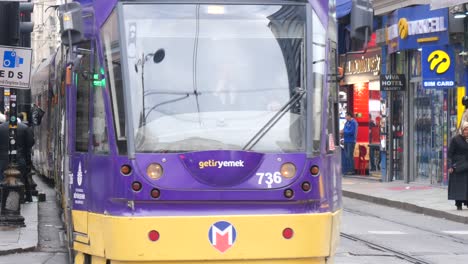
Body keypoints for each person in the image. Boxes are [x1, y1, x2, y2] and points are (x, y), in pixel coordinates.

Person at [0, 112, 35, 201]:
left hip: (3, 161)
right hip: (20, 160)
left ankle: (4, 199)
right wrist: (28, 162)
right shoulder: (24, 128)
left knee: (3, 181)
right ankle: (20, 199)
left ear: (7, 117)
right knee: (20, 180)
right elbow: (29, 144)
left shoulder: (1, 128)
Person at [447, 121, 468, 210]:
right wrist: (450, 166)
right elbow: (450, 154)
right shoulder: (455, 139)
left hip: (467, 166)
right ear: (462, 130)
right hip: (458, 166)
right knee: (459, 186)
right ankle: (458, 204)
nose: (467, 131)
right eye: (465, 129)